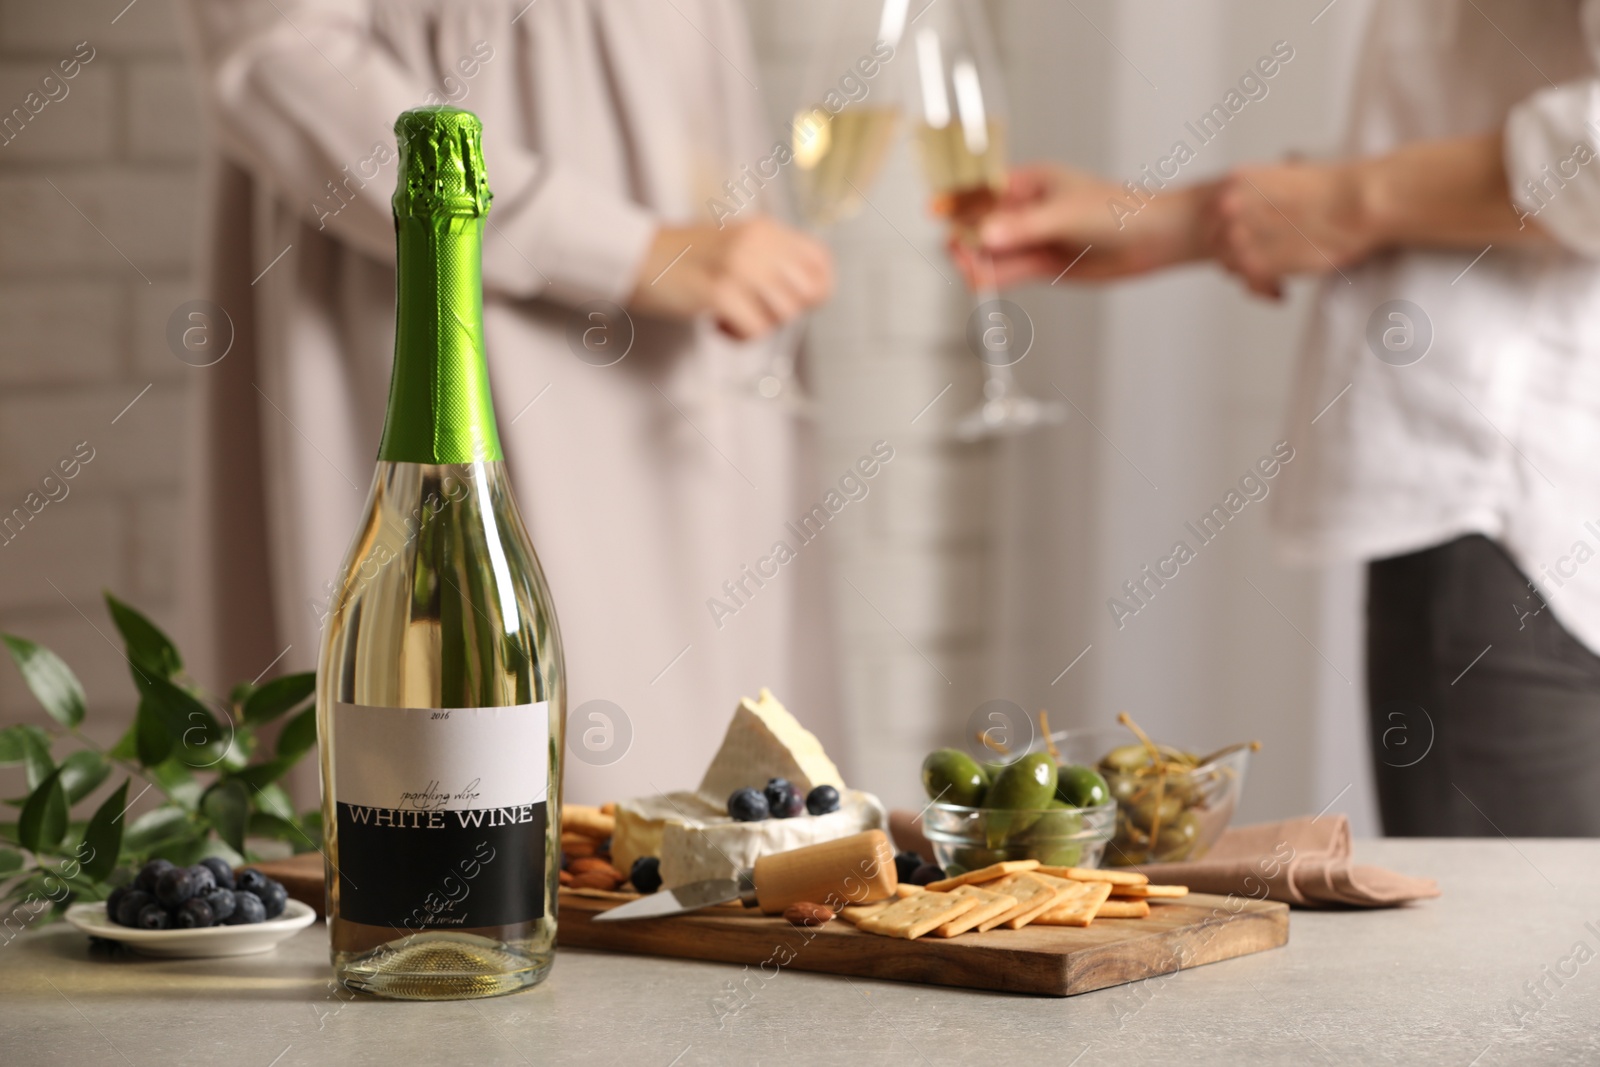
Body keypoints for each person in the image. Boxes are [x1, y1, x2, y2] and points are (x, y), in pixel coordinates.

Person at [952, 2, 1600, 836]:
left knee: (1526, 958)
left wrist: (1348, 199)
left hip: (1520, 509)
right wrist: (1190, 220)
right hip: (1526, 494)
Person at [176, 0, 840, 802]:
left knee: (735, 813)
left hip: (707, 307)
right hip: (463, 300)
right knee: (524, 792)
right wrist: (621, 249)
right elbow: (276, 57)